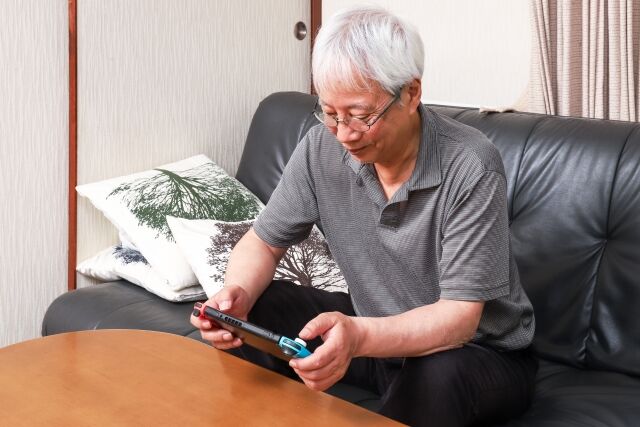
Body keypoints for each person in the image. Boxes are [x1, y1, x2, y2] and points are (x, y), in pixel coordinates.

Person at [191, 5, 537, 426]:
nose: (344, 133)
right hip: (377, 341)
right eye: (330, 113)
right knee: (261, 307)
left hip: (477, 355)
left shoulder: (471, 165)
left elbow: (459, 321)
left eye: (360, 115)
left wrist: (358, 337)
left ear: (411, 93)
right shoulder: (320, 148)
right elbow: (263, 243)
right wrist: (236, 296)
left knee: (438, 373)